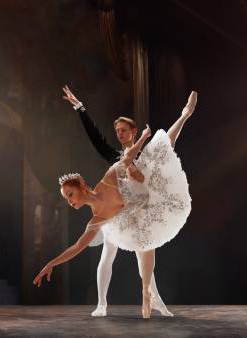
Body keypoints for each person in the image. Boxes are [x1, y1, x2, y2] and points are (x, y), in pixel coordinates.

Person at [33, 91, 197, 319]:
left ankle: (184, 115)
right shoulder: (95, 220)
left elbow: (129, 159)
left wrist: (143, 139)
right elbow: (77, 247)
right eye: (67, 198)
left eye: (70, 195)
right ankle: (104, 303)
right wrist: (51, 263)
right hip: (122, 219)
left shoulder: (114, 174)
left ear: (81, 187)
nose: (69, 202)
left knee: (162, 148)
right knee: (114, 252)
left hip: (140, 203)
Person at [61, 85, 171, 317]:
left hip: (135, 209)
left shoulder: (145, 154)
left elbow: (163, 155)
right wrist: (80, 108)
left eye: (123, 130)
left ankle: (156, 300)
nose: (119, 134)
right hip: (113, 210)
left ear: (133, 131)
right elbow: (96, 138)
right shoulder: (114, 156)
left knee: (145, 254)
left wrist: (183, 116)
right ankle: (102, 304)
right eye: (117, 131)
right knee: (108, 253)